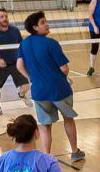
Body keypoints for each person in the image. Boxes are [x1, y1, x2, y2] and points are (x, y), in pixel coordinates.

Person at [16, 11, 85, 161]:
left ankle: (47, 156)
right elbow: (64, 69)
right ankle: (74, 151)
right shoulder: (51, 43)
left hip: (39, 91)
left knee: (45, 124)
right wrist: (62, 76)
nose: (47, 24)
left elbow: (19, 65)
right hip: (59, 89)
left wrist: (31, 78)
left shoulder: (24, 43)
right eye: (42, 22)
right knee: (68, 118)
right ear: (35, 27)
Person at [0, 8, 33, 117]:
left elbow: (21, 45)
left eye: (6, 16)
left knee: (26, 86)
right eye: (1, 17)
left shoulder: (14, 30)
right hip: (1, 64)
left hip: (15, 63)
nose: (4, 19)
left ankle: (22, 95)